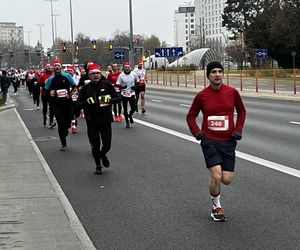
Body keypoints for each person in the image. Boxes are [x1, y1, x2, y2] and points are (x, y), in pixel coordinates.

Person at [186, 61, 246, 222]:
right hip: (209, 141)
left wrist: (238, 129)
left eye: (220, 71)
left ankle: (214, 179)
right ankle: (216, 207)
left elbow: (241, 111)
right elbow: (191, 115)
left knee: (226, 179)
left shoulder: (232, 93)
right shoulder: (202, 95)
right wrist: (197, 133)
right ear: (208, 76)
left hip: (228, 141)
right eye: (214, 72)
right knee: (217, 175)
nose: (217, 74)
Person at [76, 63, 121, 175]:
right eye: (93, 74)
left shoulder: (107, 85)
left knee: (107, 144)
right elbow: (77, 104)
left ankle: (103, 155)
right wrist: (87, 102)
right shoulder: (86, 88)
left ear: (100, 74)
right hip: (92, 121)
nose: (95, 75)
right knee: (95, 145)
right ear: (89, 75)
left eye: (97, 73)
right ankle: (98, 165)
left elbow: (118, 97)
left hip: (106, 120)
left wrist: (109, 100)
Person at [45, 59, 76, 151]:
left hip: (67, 103)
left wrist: (69, 94)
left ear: (61, 67)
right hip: (56, 104)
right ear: (53, 68)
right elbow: (46, 89)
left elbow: (74, 86)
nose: (57, 67)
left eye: (58, 65)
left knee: (68, 120)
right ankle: (63, 144)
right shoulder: (51, 78)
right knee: (60, 122)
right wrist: (50, 93)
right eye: (55, 66)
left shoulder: (67, 76)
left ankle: (66, 129)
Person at [116, 62, 139, 128]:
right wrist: (122, 87)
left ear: (130, 68)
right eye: (125, 67)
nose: (127, 68)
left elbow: (137, 82)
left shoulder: (134, 74)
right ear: (123, 68)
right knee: (125, 109)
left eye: (128, 67)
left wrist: (135, 87)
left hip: (131, 93)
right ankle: (127, 122)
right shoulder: (121, 75)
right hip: (124, 94)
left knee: (133, 108)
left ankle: (130, 115)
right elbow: (117, 84)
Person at [38, 63, 56, 128]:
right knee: (45, 107)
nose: (48, 67)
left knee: (52, 108)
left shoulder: (53, 75)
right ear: (45, 68)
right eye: (47, 66)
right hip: (44, 94)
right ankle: (44, 118)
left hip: (51, 94)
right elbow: (39, 83)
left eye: (49, 66)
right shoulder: (43, 76)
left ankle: (51, 122)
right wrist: (42, 87)